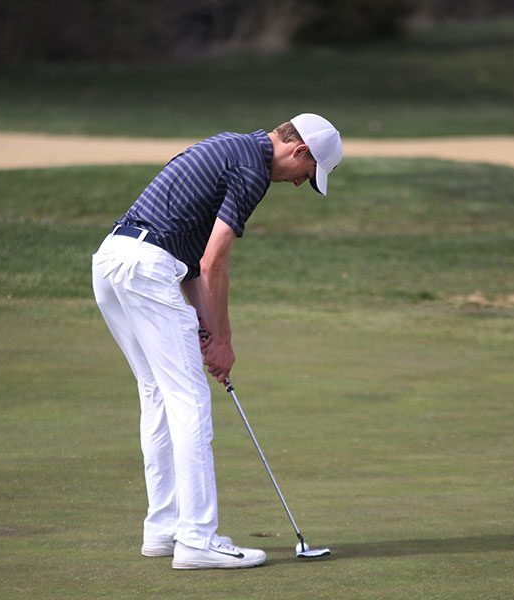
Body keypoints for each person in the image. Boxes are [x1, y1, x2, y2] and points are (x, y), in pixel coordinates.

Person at [91, 114, 343, 570]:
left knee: (159, 396)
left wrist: (203, 329)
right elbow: (213, 263)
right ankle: (197, 539)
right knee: (188, 400)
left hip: (114, 261)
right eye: (307, 177)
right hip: (146, 269)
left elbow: (185, 260)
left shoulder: (231, 146)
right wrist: (223, 340)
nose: (297, 185)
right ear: (300, 151)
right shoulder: (252, 169)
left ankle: (163, 530)